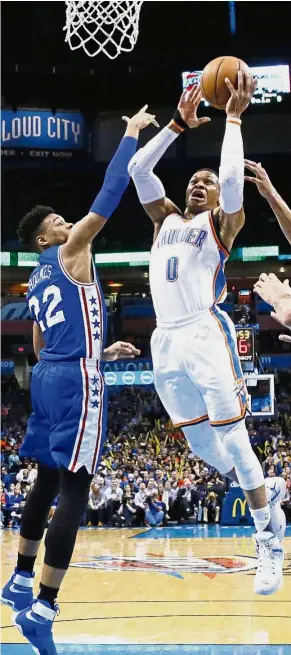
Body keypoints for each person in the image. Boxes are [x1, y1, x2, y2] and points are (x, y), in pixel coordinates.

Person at [1, 106, 157, 655]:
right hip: (75, 383)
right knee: (75, 487)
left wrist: (98, 348)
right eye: (60, 222)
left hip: (47, 377)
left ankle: (20, 577)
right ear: (48, 234)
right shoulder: (70, 250)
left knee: (45, 479)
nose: (70, 223)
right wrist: (132, 134)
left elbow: (42, 344)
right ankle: (43, 606)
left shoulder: (32, 276)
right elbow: (110, 195)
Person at [129, 77, 285, 595]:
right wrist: (177, 123)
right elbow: (137, 168)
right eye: (193, 179)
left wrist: (234, 121)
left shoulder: (221, 224)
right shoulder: (164, 218)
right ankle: (263, 485)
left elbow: (235, 189)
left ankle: (268, 542)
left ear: (219, 195)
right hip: (165, 340)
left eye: (207, 180)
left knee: (235, 437)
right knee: (199, 442)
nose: (198, 182)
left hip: (203, 330)